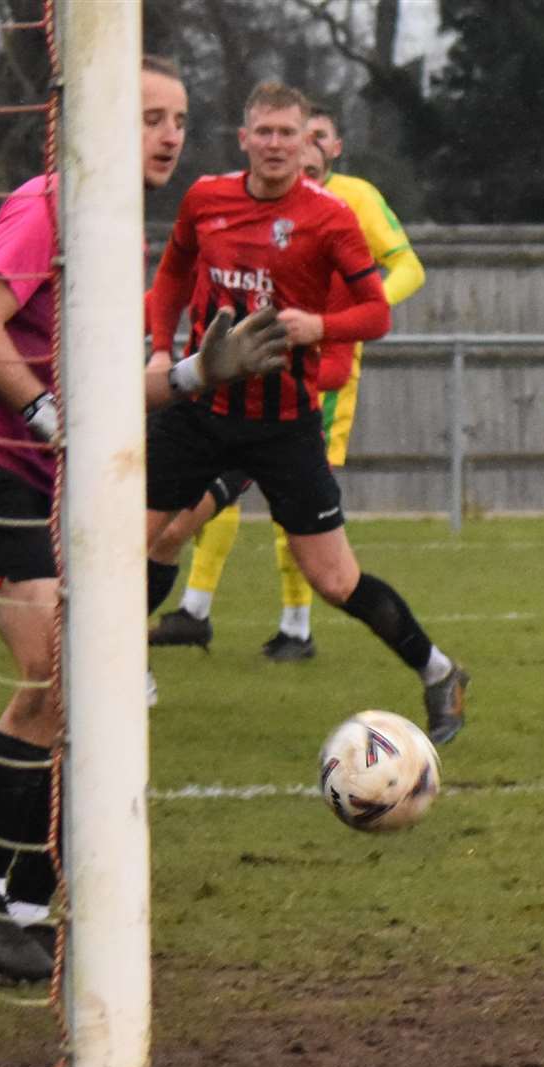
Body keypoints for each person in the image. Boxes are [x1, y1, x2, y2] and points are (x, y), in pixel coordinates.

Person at [0, 56, 288, 982]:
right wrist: (51, 420)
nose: (171, 135)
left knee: (88, 681)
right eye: (147, 117)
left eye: (178, 118)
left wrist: (197, 376)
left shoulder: (115, 228)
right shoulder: (49, 201)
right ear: (93, 119)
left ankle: (20, 904)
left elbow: (98, 386)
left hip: (42, 479)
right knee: (60, 666)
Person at [142, 81, 468, 747]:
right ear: (243, 138)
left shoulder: (329, 218)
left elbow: (375, 313)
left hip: (284, 426)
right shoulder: (206, 199)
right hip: (201, 411)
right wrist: (159, 350)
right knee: (128, 544)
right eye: (263, 132)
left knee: (333, 578)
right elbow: (172, 274)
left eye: (288, 133)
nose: (275, 145)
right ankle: (114, 673)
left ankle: (439, 672)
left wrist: (317, 324)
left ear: (307, 143)